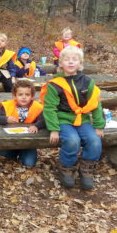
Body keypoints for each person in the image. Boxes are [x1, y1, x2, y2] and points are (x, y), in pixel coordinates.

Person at [40, 46, 105, 190]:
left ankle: (86, 168)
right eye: (67, 59)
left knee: (94, 140)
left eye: (74, 60)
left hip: (82, 119)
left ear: (80, 64)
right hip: (63, 120)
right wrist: (54, 129)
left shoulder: (88, 82)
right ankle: (66, 167)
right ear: (60, 64)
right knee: (72, 140)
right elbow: (49, 108)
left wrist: (99, 126)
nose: (70, 62)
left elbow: (95, 104)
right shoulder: (54, 84)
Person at [0, 80, 45, 167]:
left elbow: (44, 120)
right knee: (4, 154)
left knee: (29, 163)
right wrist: (6, 119)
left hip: (29, 142)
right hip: (11, 140)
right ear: (14, 95)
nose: (24, 97)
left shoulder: (38, 107)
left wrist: (36, 125)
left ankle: (23, 153)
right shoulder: (7, 105)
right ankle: (15, 152)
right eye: (20, 94)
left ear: (32, 96)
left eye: (27, 95)